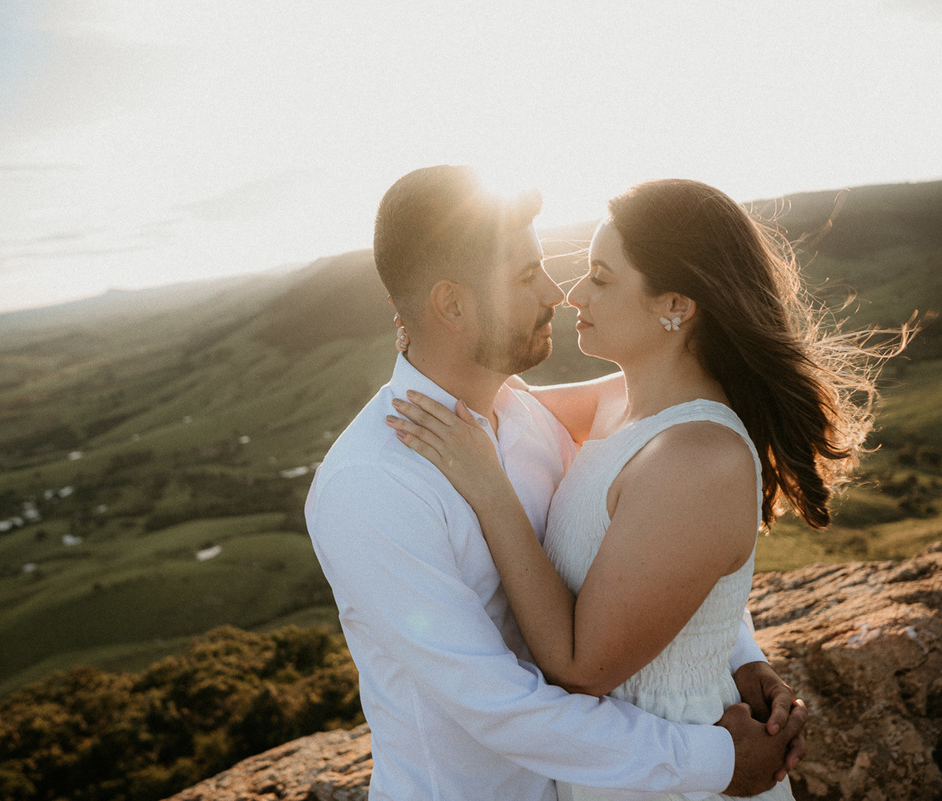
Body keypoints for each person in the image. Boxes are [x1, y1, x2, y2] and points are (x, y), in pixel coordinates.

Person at [389, 178, 901, 800]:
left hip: (682, 761)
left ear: (676, 306)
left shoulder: (698, 459)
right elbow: (494, 396)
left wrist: (490, 490)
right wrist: (429, 333)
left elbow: (581, 668)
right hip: (622, 760)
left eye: (601, 278)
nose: (573, 294)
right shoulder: (619, 403)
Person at [305, 166, 806, 801]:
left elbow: (653, 548)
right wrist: (713, 760)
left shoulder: (527, 420)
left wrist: (736, 657)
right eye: (524, 276)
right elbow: (495, 704)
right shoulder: (373, 484)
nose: (555, 292)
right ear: (453, 305)